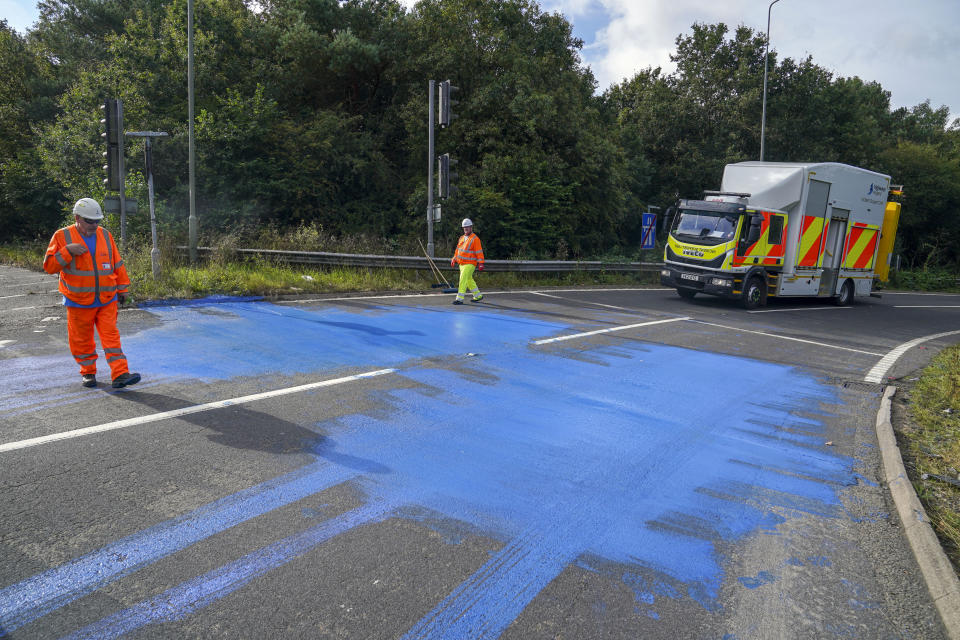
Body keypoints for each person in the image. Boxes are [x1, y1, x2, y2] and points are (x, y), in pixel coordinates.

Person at [43, 198, 141, 389]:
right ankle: (88, 372)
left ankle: (120, 374)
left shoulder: (105, 235)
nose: (94, 225)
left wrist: (123, 289)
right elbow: (49, 266)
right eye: (90, 221)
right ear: (77, 218)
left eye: (97, 221)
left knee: (111, 337)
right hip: (78, 300)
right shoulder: (62, 236)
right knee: (82, 340)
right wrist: (67, 251)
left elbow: (117, 264)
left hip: (107, 298)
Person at [450, 218, 484, 305]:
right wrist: (454, 258)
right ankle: (478, 295)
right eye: (464, 227)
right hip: (461, 263)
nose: (466, 229)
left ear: (471, 227)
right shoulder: (461, 238)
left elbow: (479, 252)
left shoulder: (475, 239)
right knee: (469, 280)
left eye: (467, 227)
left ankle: (459, 299)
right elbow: (458, 250)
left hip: (470, 264)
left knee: (463, 279)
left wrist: (481, 263)